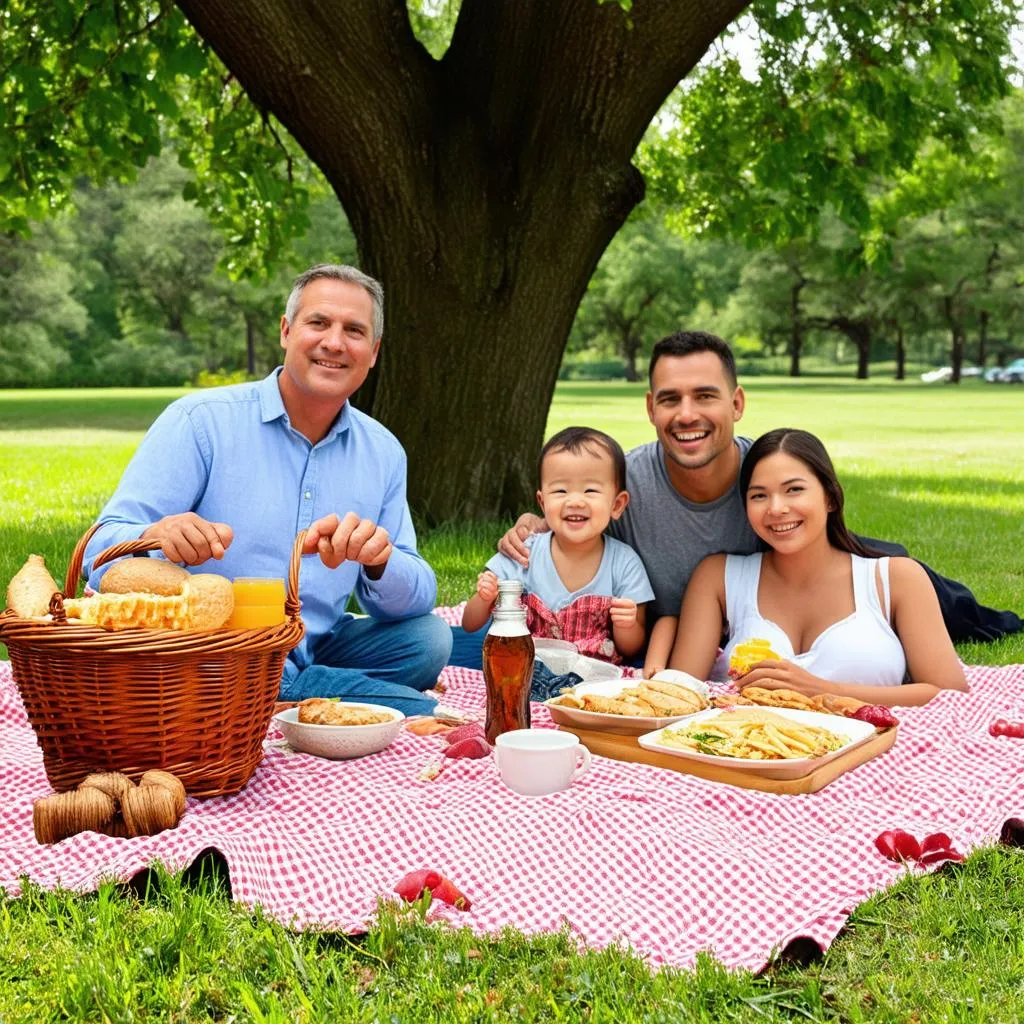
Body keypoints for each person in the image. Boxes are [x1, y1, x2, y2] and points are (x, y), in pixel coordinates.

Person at [493, 332, 1021, 675]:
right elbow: (575, 509)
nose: (687, 414)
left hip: (794, 591)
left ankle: (993, 620)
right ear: (650, 409)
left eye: (705, 396)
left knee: (908, 579)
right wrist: (535, 525)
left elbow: (812, 530)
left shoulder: (764, 474)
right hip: (702, 619)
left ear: (737, 403)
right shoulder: (621, 480)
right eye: (671, 399)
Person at [84, 263, 452, 715]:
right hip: (217, 651)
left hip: (316, 639)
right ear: (286, 331)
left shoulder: (383, 451)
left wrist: (380, 562)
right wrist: (159, 538)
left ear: (373, 352)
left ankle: (294, 693)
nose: (334, 342)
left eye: (353, 331)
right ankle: (347, 699)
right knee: (408, 707)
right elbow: (96, 557)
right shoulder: (200, 422)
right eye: (318, 322)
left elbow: (417, 594)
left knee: (430, 639)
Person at [663, 428, 968, 706]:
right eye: (759, 495)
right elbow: (679, 692)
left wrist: (820, 690)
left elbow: (950, 694)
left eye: (794, 489)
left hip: (877, 751)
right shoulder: (719, 576)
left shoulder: (896, 578)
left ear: (831, 498)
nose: (776, 508)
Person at [461, 427, 654, 667]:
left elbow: (632, 648)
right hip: (528, 673)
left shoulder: (624, 563)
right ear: (542, 502)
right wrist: (484, 598)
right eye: (561, 490)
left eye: (590, 490)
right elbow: (469, 624)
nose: (574, 501)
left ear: (617, 504)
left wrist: (627, 624)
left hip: (592, 682)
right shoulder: (524, 553)